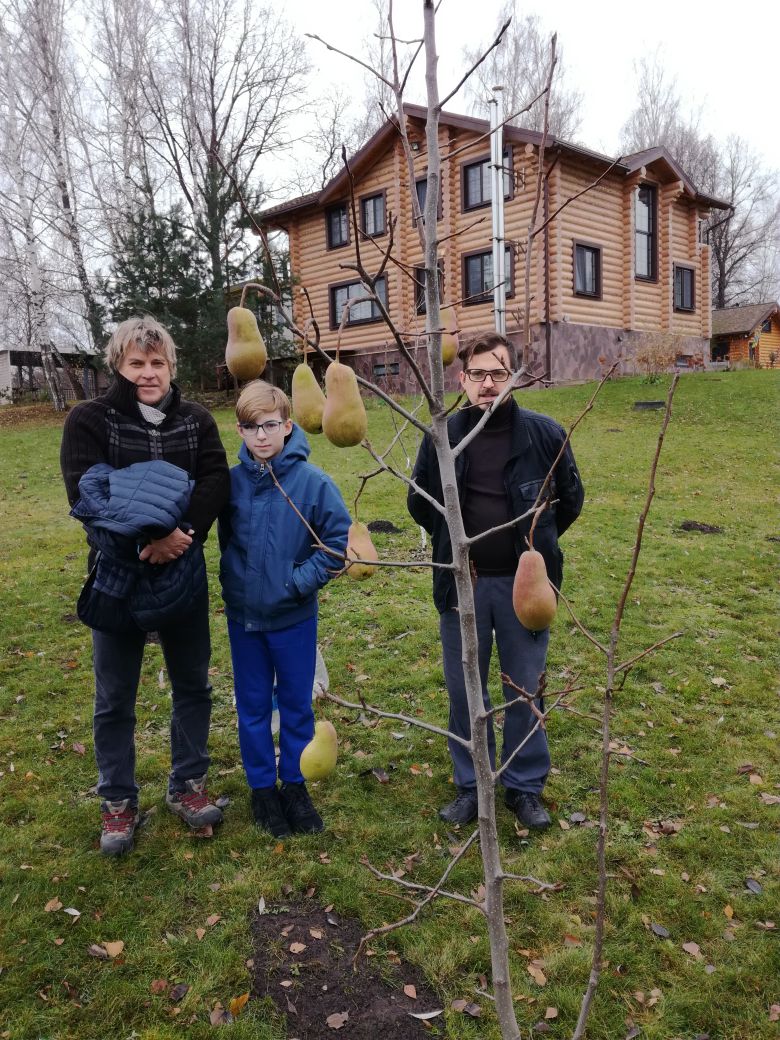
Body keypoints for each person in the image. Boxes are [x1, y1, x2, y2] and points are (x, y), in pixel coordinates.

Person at [60, 316, 230, 855]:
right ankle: (117, 802)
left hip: (183, 572)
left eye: (157, 363)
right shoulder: (90, 419)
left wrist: (181, 536)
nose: (148, 373)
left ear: (171, 366)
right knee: (114, 697)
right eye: (137, 363)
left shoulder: (196, 421)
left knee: (192, 685)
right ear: (119, 365)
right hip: (117, 576)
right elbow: (87, 497)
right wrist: (146, 544)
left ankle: (188, 785)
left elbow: (214, 481)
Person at [407, 332, 584, 830]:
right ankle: (472, 784)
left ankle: (523, 788)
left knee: (525, 687)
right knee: (466, 690)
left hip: (523, 590)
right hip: (461, 586)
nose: (487, 384)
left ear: (513, 378)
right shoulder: (442, 436)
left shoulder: (544, 435)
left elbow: (570, 500)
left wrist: (536, 554)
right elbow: (420, 503)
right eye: (478, 374)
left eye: (498, 373)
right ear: (461, 379)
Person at [218, 380, 350, 838]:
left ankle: (294, 785)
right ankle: (262, 790)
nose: (261, 436)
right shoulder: (230, 484)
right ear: (239, 430)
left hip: (293, 618)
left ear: (288, 425)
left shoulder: (313, 483)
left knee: (295, 705)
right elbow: (222, 540)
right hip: (245, 620)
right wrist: (232, 583)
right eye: (251, 427)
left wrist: (298, 583)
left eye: (270, 425)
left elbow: (337, 543)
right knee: (253, 707)